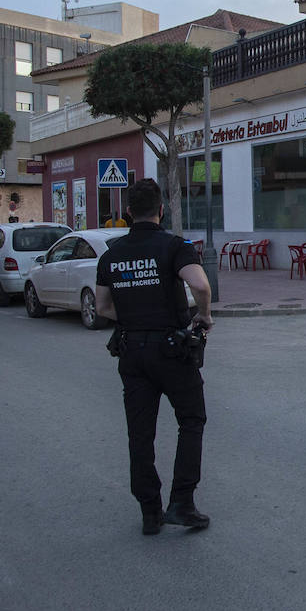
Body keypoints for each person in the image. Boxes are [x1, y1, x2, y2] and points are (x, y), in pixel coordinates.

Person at [94, 179, 214, 536]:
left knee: (140, 433)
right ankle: (182, 502)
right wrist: (204, 315)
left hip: (132, 351)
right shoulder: (173, 246)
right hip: (172, 350)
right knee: (191, 420)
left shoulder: (112, 254)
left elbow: (102, 307)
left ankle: (150, 511)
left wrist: (134, 316)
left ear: (128, 212)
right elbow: (201, 285)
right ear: (161, 209)